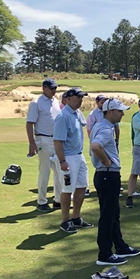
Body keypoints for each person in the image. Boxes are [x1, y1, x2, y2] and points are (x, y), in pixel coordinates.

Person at [90, 98, 140, 266]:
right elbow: (96, 146)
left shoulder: (102, 125)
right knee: (108, 215)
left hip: (106, 175)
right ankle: (104, 254)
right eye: (119, 111)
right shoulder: (105, 128)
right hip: (107, 174)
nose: (122, 113)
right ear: (110, 111)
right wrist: (107, 161)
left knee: (113, 214)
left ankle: (119, 246)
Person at [53, 87, 92, 234]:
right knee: (67, 189)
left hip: (79, 155)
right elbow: (57, 141)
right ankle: (65, 220)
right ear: (68, 99)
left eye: (81, 97)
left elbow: (82, 125)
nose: (80, 100)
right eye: (77, 97)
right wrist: (62, 161)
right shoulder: (63, 116)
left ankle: (76, 217)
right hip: (67, 157)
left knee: (82, 186)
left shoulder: (77, 113)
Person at [26, 78, 63, 211]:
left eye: (55, 88)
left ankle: (58, 199)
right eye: (51, 88)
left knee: (59, 171)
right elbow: (29, 123)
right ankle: (41, 201)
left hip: (57, 140)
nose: (54, 90)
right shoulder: (36, 103)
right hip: (43, 139)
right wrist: (32, 143)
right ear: (44, 88)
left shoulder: (56, 101)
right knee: (45, 171)